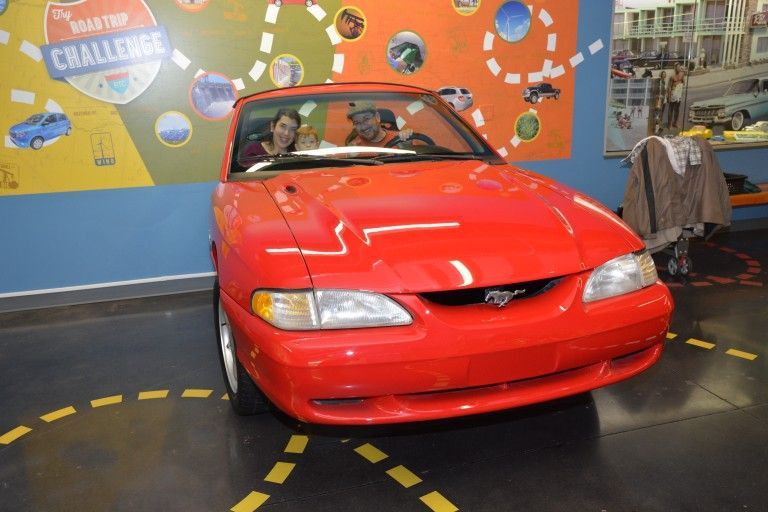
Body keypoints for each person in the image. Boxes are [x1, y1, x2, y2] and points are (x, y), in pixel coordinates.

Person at [346, 101, 412, 147]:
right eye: (357, 123)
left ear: (377, 117)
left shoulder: (400, 138)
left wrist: (408, 143)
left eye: (366, 119)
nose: (363, 127)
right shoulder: (354, 148)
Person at [667, 63, 685, 129]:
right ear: (675, 68)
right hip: (673, 93)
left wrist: (683, 75)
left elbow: (683, 83)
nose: (678, 68)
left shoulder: (682, 74)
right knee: (671, 109)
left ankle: (675, 123)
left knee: (677, 109)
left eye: (679, 67)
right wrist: (668, 96)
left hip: (679, 93)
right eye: (677, 67)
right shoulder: (672, 76)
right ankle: (669, 124)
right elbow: (669, 87)